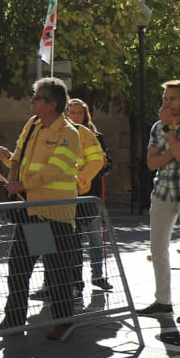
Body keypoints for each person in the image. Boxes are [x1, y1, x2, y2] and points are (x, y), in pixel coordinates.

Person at [0, 77, 81, 341]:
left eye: (37, 98)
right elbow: (19, 153)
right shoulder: (33, 125)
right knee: (18, 267)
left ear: (52, 104)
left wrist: (22, 184)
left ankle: (64, 322)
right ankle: (14, 318)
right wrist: (12, 172)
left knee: (57, 272)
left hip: (56, 213)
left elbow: (55, 170)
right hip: (33, 212)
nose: (32, 101)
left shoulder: (68, 133)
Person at [138, 80, 180, 325]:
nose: (167, 103)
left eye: (172, 98)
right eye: (165, 98)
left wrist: (173, 135)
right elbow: (151, 163)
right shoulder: (157, 126)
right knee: (157, 248)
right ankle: (162, 301)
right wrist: (178, 148)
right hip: (162, 192)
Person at [66, 98, 113, 295]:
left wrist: (101, 167)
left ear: (85, 116)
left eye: (79, 113)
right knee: (69, 240)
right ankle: (59, 282)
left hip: (89, 194)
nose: (76, 116)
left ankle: (98, 275)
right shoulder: (61, 134)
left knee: (94, 236)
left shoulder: (95, 136)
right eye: (72, 112)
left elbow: (106, 164)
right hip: (66, 194)